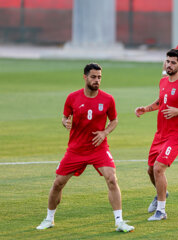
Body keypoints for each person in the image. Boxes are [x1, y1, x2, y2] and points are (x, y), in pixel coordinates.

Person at [36, 63, 134, 232]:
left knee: (111, 178)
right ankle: (49, 218)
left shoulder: (108, 99)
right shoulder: (72, 98)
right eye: (93, 77)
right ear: (85, 77)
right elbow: (64, 117)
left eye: (99, 77)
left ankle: (119, 221)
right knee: (58, 183)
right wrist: (65, 122)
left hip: (98, 148)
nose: (97, 80)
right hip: (76, 149)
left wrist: (105, 132)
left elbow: (114, 120)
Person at [135, 49, 178, 221]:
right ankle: (162, 192)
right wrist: (146, 108)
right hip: (161, 133)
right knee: (151, 170)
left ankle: (161, 210)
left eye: (173, 63)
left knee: (159, 168)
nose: (169, 65)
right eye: (167, 61)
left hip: (177, 135)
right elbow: (162, 100)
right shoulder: (163, 81)